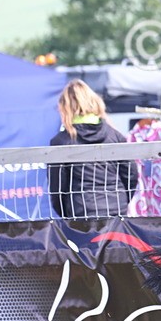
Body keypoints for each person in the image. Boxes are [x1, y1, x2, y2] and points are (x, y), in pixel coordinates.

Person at [48, 79, 138, 219]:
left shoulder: (61, 142)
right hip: (116, 211)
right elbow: (131, 176)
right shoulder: (115, 136)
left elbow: (57, 189)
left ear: (65, 108)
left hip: (81, 212)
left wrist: (67, 214)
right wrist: (121, 200)